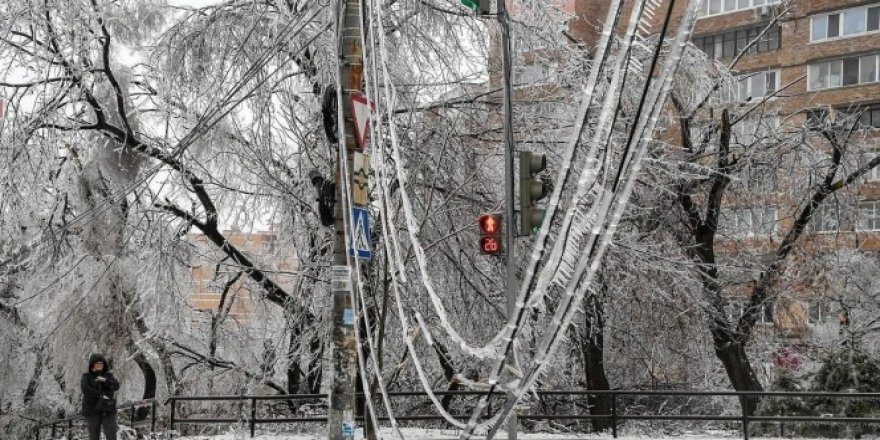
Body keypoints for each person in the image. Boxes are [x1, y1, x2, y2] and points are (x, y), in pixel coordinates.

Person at [81, 353, 119, 440]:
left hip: (108, 408)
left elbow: (116, 385)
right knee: (94, 436)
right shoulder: (86, 376)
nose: (100, 365)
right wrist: (100, 395)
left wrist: (105, 380)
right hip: (92, 409)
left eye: (101, 363)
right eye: (97, 363)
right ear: (92, 364)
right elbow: (85, 389)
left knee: (112, 434)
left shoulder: (108, 376)